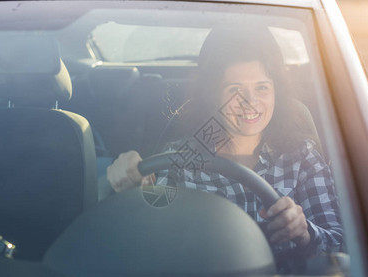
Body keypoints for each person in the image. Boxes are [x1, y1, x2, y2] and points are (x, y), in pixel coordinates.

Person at [107, 27, 344, 262]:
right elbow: (149, 241)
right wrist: (131, 190)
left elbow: (340, 250)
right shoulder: (179, 160)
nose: (250, 102)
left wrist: (304, 232)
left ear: (276, 92)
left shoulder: (302, 156)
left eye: (262, 87)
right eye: (235, 90)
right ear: (213, 95)